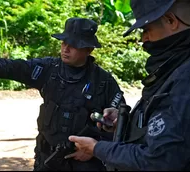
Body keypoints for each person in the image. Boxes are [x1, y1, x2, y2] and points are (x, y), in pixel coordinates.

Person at [0, 17, 125, 171]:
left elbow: (121, 125)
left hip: (85, 164)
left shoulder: (104, 82)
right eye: (64, 43)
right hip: (48, 160)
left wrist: (96, 149)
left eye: (73, 45)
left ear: (88, 49)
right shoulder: (49, 69)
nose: (66, 49)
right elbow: (19, 68)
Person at [68, 0, 190, 170]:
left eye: (147, 30)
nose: (143, 39)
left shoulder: (185, 77)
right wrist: (127, 124)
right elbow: (166, 127)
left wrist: (97, 148)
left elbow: (160, 160)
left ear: (171, 21)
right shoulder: (174, 67)